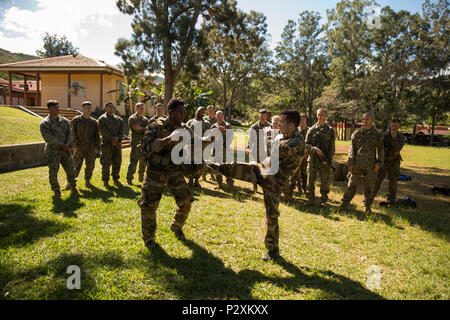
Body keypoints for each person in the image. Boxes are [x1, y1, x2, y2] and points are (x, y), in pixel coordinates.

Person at [208, 109, 305, 261]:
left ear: (292, 125)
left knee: (271, 214)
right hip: (266, 171)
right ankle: (210, 166)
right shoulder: (284, 135)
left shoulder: (297, 141)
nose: (279, 124)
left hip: (276, 180)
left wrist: (267, 140)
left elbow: (278, 150)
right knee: (237, 168)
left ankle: (273, 251)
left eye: (282, 122)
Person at [139, 98, 216, 249]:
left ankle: (176, 227)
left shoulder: (185, 129)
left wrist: (210, 138)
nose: (183, 116)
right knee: (148, 206)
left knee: (186, 202)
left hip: (174, 171)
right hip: (155, 171)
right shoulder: (155, 126)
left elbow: (196, 142)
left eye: (184, 113)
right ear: (170, 112)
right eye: (180, 113)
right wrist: (167, 140)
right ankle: (149, 238)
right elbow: (146, 147)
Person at [339, 112, 384, 214]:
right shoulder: (357, 133)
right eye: (363, 119)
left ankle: (367, 206)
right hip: (357, 164)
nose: (365, 120)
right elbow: (352, 149)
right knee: (351, 185)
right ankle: (344, 204)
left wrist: (379, 163)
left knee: (369, 187)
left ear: (372, 120)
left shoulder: (377, 134)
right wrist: (350, 163)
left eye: (367, 119)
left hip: (370, 165)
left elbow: (381, 149)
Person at [40, 99, 78, 197]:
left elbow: (70, 134)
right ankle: (56, 191)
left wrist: (68, 143)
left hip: (66, 151)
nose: (57, 109)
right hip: (53, 151)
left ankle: (73, 187)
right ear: (49, 109)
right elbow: (48, 138)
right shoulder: (45, 123)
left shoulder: (65, 121)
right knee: (53, 172)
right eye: (54, 107)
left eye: (58, 107)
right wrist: (62, 145)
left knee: (71, 169)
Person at [371, 119, 406, 206]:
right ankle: (369, 199)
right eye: (392, 126)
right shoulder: (384, 136)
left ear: (399, 127)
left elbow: (397, 149)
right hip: (384, 161)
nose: (394, 128)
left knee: (393, 182)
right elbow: (381, 149)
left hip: (394, 162)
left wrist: (394, 138)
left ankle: (390, 202)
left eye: (396, 126)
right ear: (390, 126)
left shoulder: (401, 137)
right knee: (377, 181)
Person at [305, 109, 335, 207]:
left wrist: (328, 160)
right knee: (310, 181)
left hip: (324, 160)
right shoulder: (312, 129)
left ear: (325, 116)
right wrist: (314, 149)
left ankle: (323, 200)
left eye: (322, 115)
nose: (320, 117)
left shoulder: (330, 130)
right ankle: (311, 199)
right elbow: (305, 144)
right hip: (313, 159)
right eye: (318, 115)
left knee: (324, 181)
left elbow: (332, 147)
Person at [71, 101, 100, 188]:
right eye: (87, 108)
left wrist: (96, 147)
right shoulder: (76, 120)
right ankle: (71, 183)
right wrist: (74, 145)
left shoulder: (94, 122)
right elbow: (72, 133)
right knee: (76, 166)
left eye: (90, 108)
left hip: (90, 148)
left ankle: (87, 182)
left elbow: (97, 135)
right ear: (82, 108)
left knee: (90, 166)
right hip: (79, 148)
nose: (88, 109)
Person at [98, 102, 124, 188]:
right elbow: (103, 131)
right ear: (105, 108)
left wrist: (117, 139)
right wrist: (112, 139)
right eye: (109, 107)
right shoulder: (102, 119)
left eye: (113, 107)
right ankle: (105, 181)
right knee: (106, 163)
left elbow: (121, 131)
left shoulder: (119, 119)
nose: (111, 108)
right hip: (107, 145)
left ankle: (116, 179)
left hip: (117, 145)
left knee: (117, 162)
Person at [285, 114, 309, 199]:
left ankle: (306, 192)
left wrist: (307, 153)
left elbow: (310, 144)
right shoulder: (295, 131)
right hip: (296, 157)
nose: (302, 121)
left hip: (306, 157)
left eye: (303, 120)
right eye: (300, 120)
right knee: (293, 175)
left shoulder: (309, 130)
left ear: (306, 121)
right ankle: (289, 194)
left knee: (305, 175)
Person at [186, 107, 211, 188]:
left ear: (204, 113)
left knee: (199, 165)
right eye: (199, 111)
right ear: (196, 111)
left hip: (201, 148)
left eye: (202, 111)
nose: (200, 112)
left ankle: (196, 180)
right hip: (190, 148)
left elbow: (208, 136)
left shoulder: (207, 124)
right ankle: (190, 180)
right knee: (190, 164)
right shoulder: (190, 122)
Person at [246, 109, 271, 193]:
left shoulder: (269, 126)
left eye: (264, 116)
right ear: (259, 116)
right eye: (261, 116)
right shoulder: (254, 126)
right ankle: (254, 186)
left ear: (266, 116)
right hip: (255, 152)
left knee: (265, 170)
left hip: (265, 153)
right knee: (254, 169)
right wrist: (248, 148)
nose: (262, 118)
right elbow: (250, 139)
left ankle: (265, 188)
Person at [210, 110, 234, 190]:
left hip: (224, 150)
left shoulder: (228, 125)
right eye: (218, 116)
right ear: (216, 116)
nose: (219, 117)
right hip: (216, 150)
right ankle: (219, 184)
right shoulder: (213, 126)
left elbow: (231, 138)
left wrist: (224, 132)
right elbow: (210, 137)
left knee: (227, 167)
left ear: (223, 116)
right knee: (217, 168)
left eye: (221, 115)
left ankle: (230, 184)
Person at [126, 102, 149, 185]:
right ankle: (129, 179)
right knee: (133, 161)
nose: (142, 110)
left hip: (143, 143)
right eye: (140, 108)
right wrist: (144, 129)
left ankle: (141, 178)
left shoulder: (145, 119)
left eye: (143, 108)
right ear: (136, 109)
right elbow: (136, 128)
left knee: (143, 162)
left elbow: (147, 130)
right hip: (135, 143)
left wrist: (142, 128)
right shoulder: (132, 118)